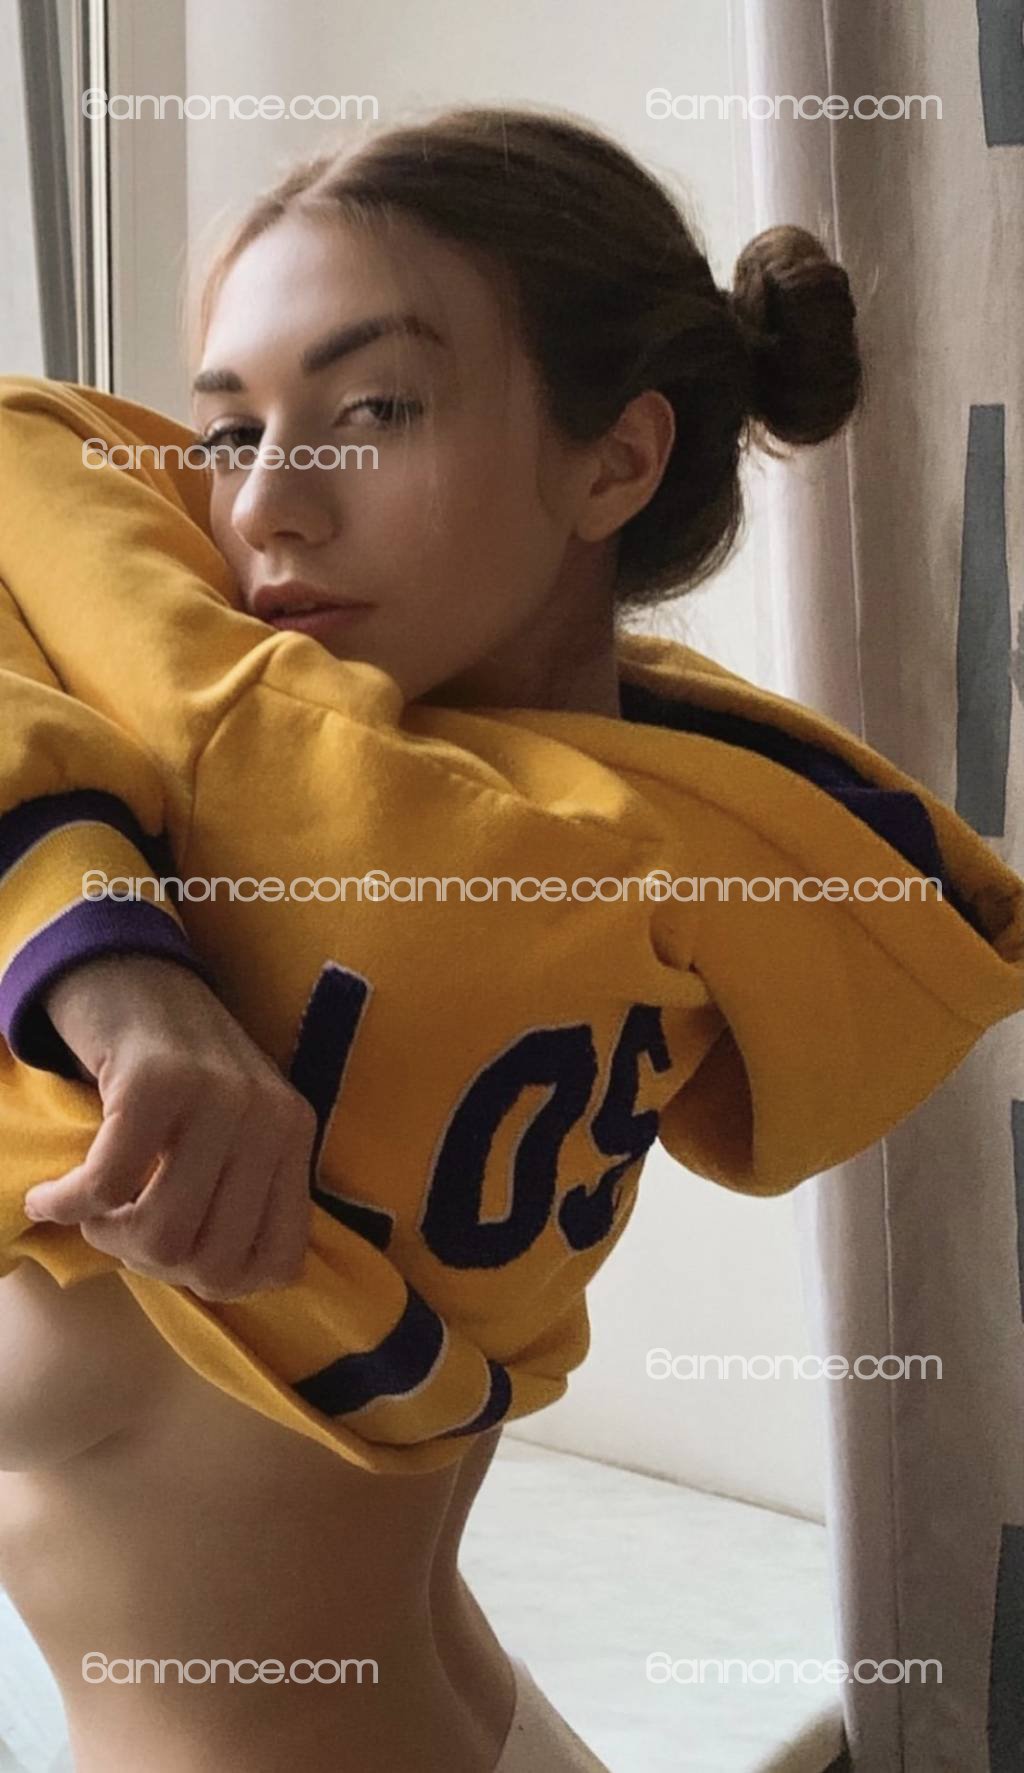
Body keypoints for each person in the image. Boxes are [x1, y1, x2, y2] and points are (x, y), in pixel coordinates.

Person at [0, 106, 1020, 1772]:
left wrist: (90, 940)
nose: (266, 511)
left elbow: (34, 474)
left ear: (615, 460)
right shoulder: (665, 807)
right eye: (232, 427)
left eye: (372, 410)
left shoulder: (412, 845)